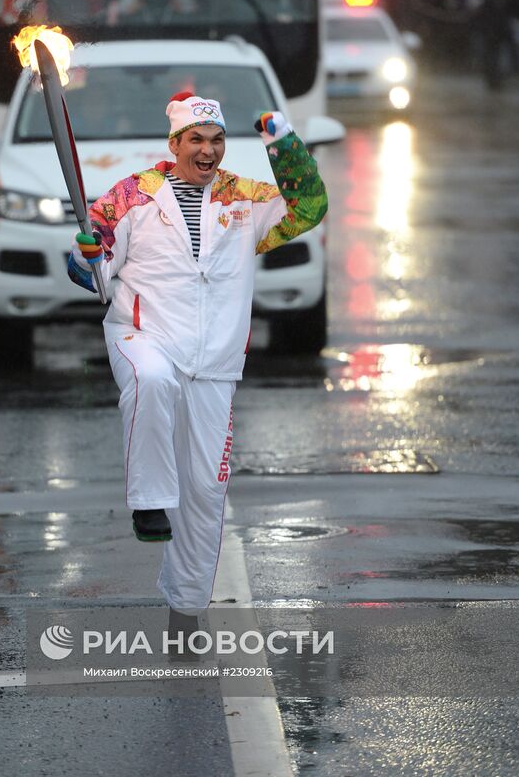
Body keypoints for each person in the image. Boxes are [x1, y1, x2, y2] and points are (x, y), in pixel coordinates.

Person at [66, 91, 327, 621]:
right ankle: (148, 502)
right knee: (154, 381)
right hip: (142, 335)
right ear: (175, 144)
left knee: (208, 487)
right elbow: (92, 261)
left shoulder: (244, 199)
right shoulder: (134, 194)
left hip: (214, 361)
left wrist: (281, 139)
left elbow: (309, 207)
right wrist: (84, 253)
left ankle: (186, 603)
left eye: (216, 141)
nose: (207, 151)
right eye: (197, 141)